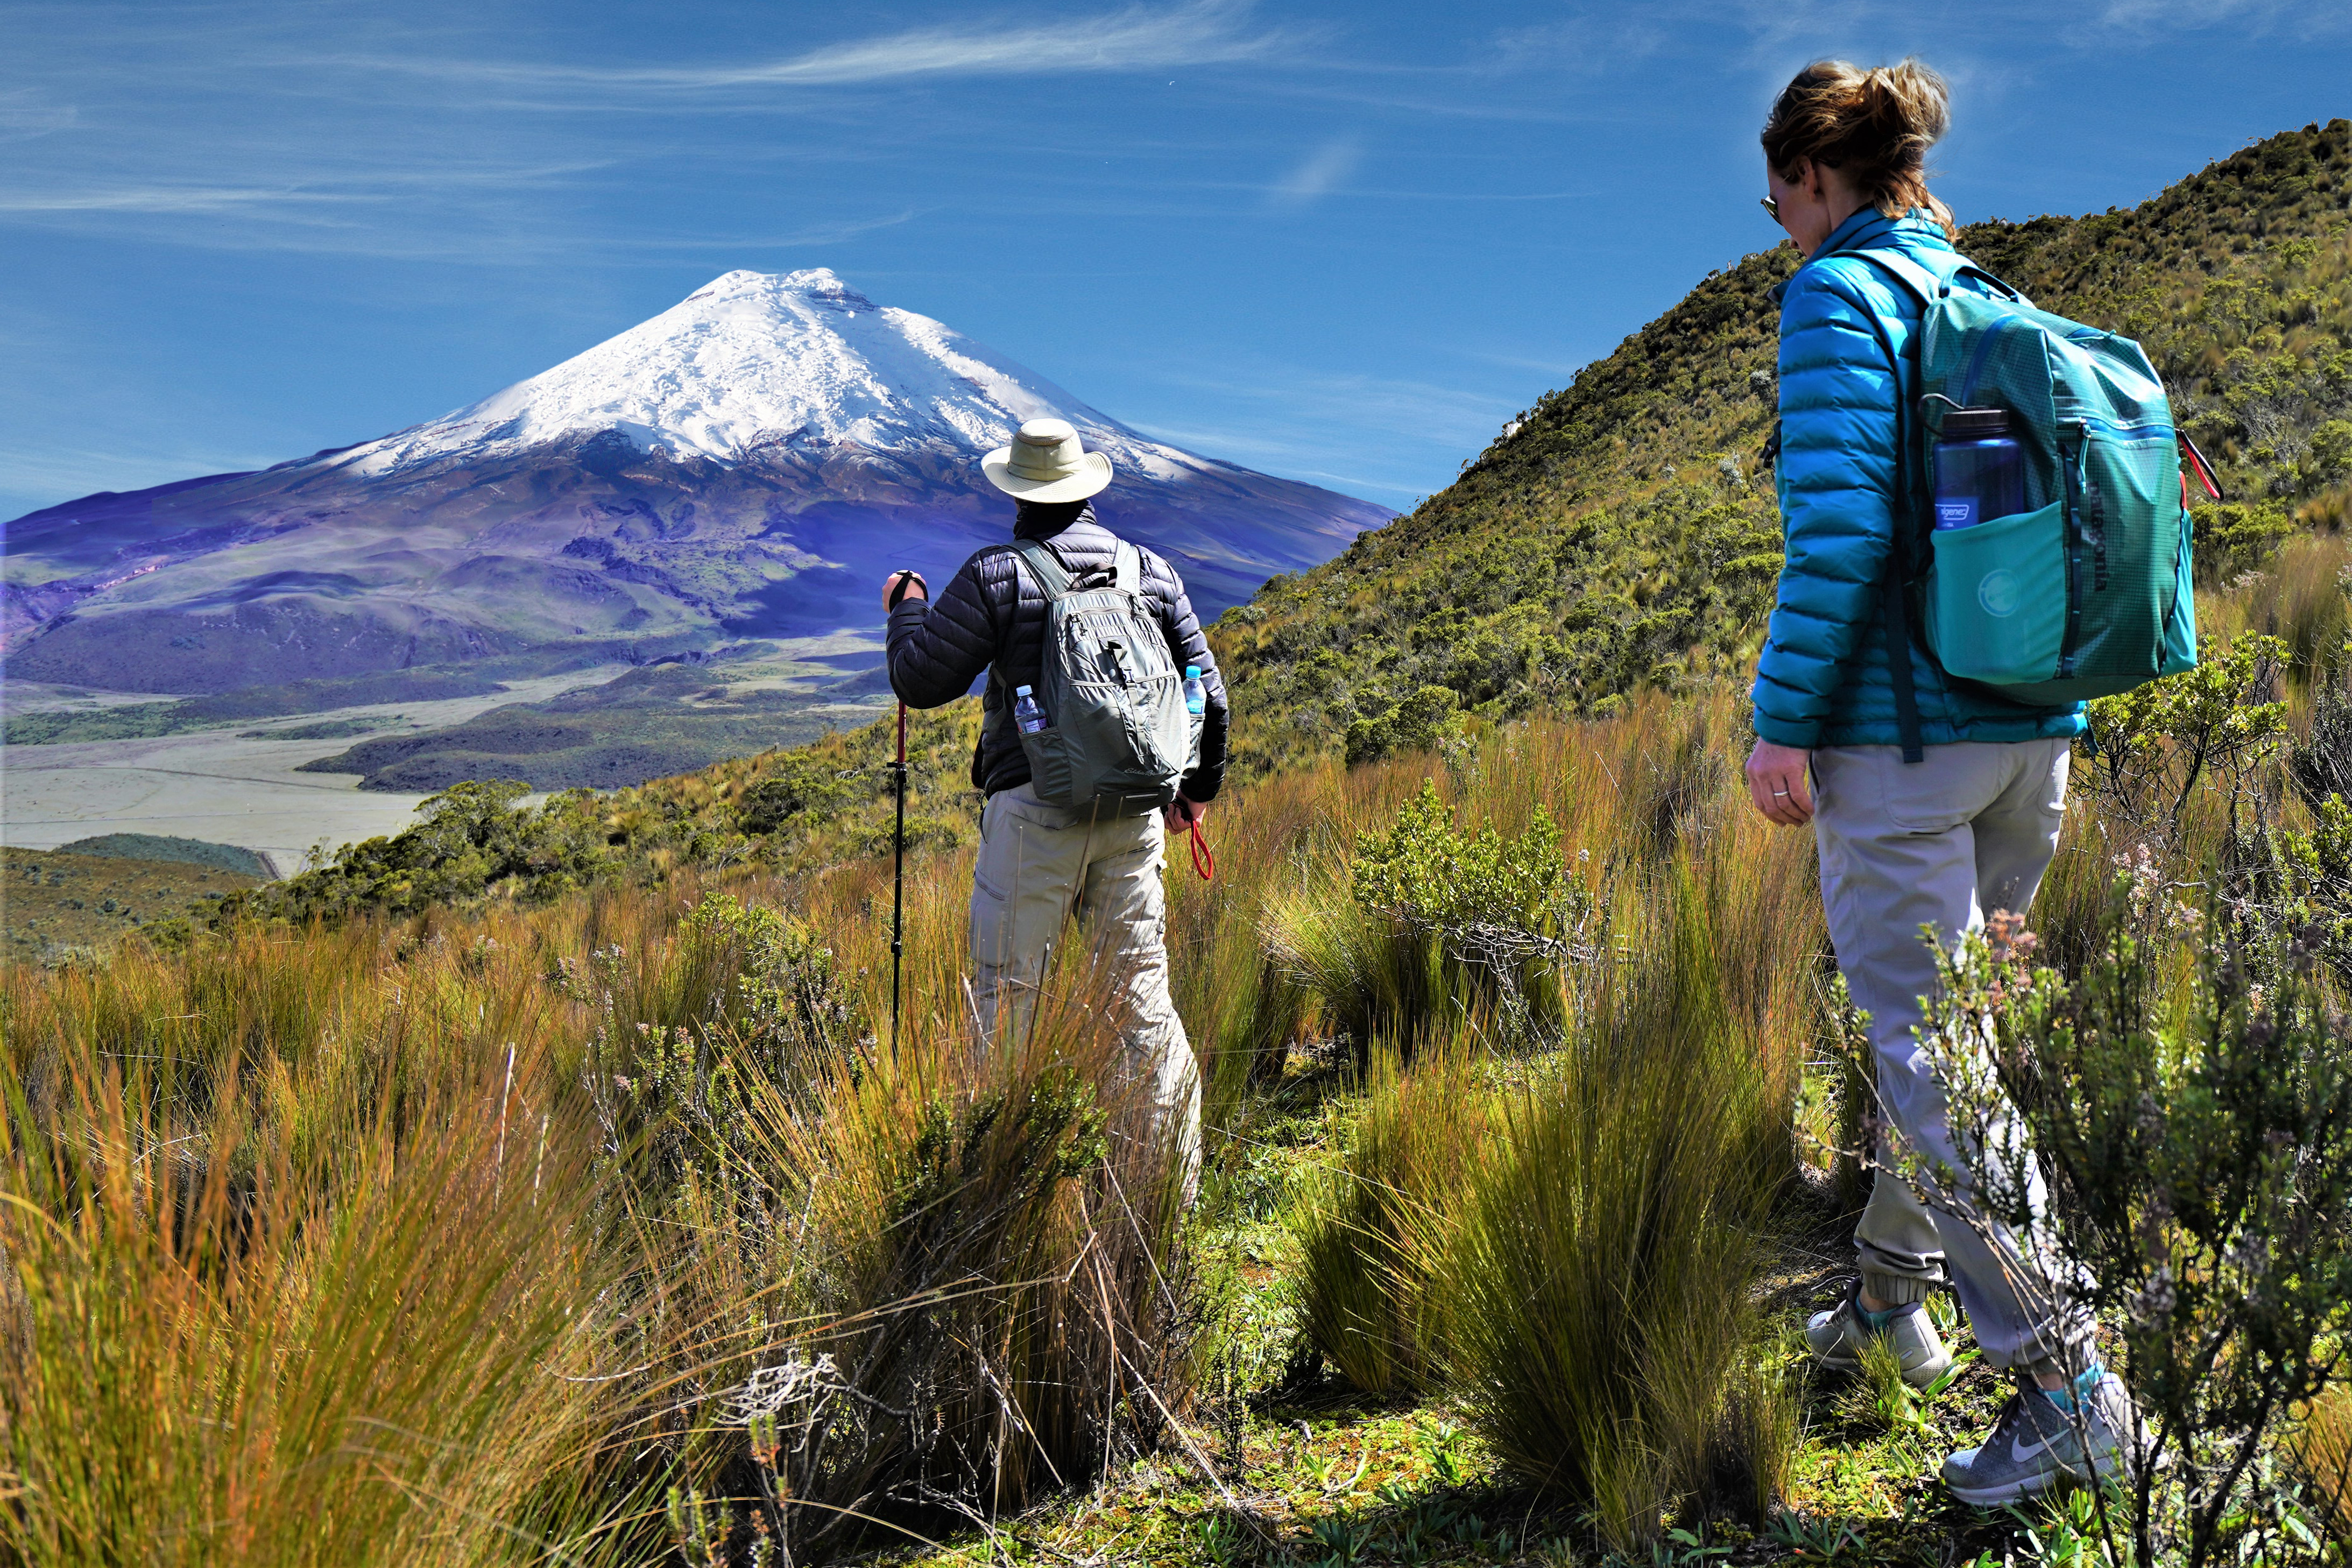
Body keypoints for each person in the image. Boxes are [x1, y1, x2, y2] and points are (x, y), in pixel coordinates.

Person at [1744, 59, 2135, 1505]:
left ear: (1811, 175)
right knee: (1959, 1041)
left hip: (1905, 744)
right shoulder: (1976, 291)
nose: (1778, 224)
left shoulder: (1835, 297)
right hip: (2030, 729)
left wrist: (1782, 722)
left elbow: (1841, 533)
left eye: (1775, 199)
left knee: (1932, 1060)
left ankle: (2070, 1389)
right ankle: (1889, 1299)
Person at [881, 416, 1227, 1183]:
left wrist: (907, 605)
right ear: (1084, 488)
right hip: (1134, 816)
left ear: (1017, 492)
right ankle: (1168, 1190)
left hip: (1034, 816)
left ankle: (1003, 1193)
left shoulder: (999, 575)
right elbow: (1210, 694)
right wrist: (1194, 794)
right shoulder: (1150, 573)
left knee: (1008, 1000)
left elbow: (920, 680)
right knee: (1139, 1001)